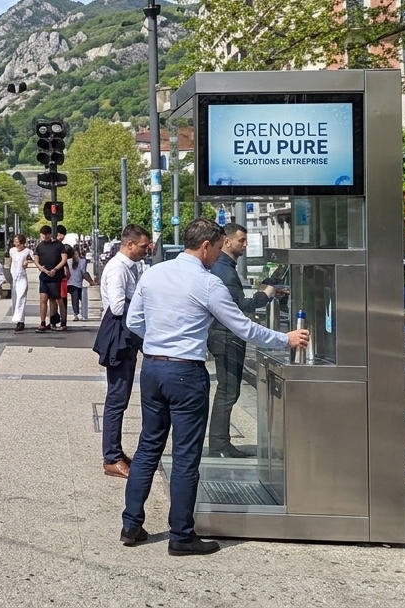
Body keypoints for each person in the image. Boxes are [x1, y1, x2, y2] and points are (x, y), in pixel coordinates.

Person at [121, 218, 308, 555]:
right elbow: (243, 328)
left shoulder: (153, 273)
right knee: (185, 456)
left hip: (152, 369)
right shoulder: (208, 284)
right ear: (205, 246)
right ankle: (181, 536)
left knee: (148, 447)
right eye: (219, 247)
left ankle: (131, 524)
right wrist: (286, 339)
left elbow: (134, 321)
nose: (220, 253)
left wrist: (159, 343)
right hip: (186, 374)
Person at [207, 223, 280, 459]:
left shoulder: (223, 267)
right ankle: (219, 445)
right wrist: (264, 296)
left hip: (222, 335)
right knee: (228, 391)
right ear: (226, 242)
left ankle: (221, 443)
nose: (245, 244)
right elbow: (237, 307)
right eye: (241, 240)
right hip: (226, 336)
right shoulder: (224, 271)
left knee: (228, 391)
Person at [98, 224, 152, 479]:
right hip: (119, 337)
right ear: (129, 244)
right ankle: (111, 457)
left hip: (127, 336)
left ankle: (115, 452)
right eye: (143, 246)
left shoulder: (132, 267)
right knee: (116, 398)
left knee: (121, 396)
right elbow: (118, 307)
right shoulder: (118, 269)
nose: (146, 250)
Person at [34, 226, 66, 332]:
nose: (42, 237)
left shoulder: (59, 245)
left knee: (57, 299)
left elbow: (64, 259)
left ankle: (61, 321)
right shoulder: (39, 246)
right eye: (41, 235)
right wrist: (42, 269)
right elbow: (36, 260)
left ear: (49, 235)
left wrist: (55, 269)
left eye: (44, 235)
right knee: (43, 299)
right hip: (44, 277)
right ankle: (43, 322)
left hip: (56, 277)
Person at [7, 234, 33, 332]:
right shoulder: (12, 250)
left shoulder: (28, 251)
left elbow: (34, 259)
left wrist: (28, 261)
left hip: (22, 277)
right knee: (15, 299)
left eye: (17, 242)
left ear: (22, 243)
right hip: (14, 278)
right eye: (15, 242)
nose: (16, 244)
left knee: (21, 298)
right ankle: (20, 321)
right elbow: (10, 261)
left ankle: (19, 320)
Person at [68, 245, 96, 321]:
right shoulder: (82, 261)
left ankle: (76, 314)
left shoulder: (68, 261)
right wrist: (91, 281)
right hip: (77, 283)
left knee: (75, 297)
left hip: (68, 282)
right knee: (78, 297)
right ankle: (78, 314)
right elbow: (84, 273)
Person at [55, 225, 75, 329]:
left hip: (61, 277)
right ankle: (55, 320)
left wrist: (66, 268)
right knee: (54, 299)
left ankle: (63, 321)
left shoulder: (62, 247)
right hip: (54, 276)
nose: (61, 237)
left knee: (62, 298)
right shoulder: (55, 246)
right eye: (59, 234)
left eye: (63, 235)